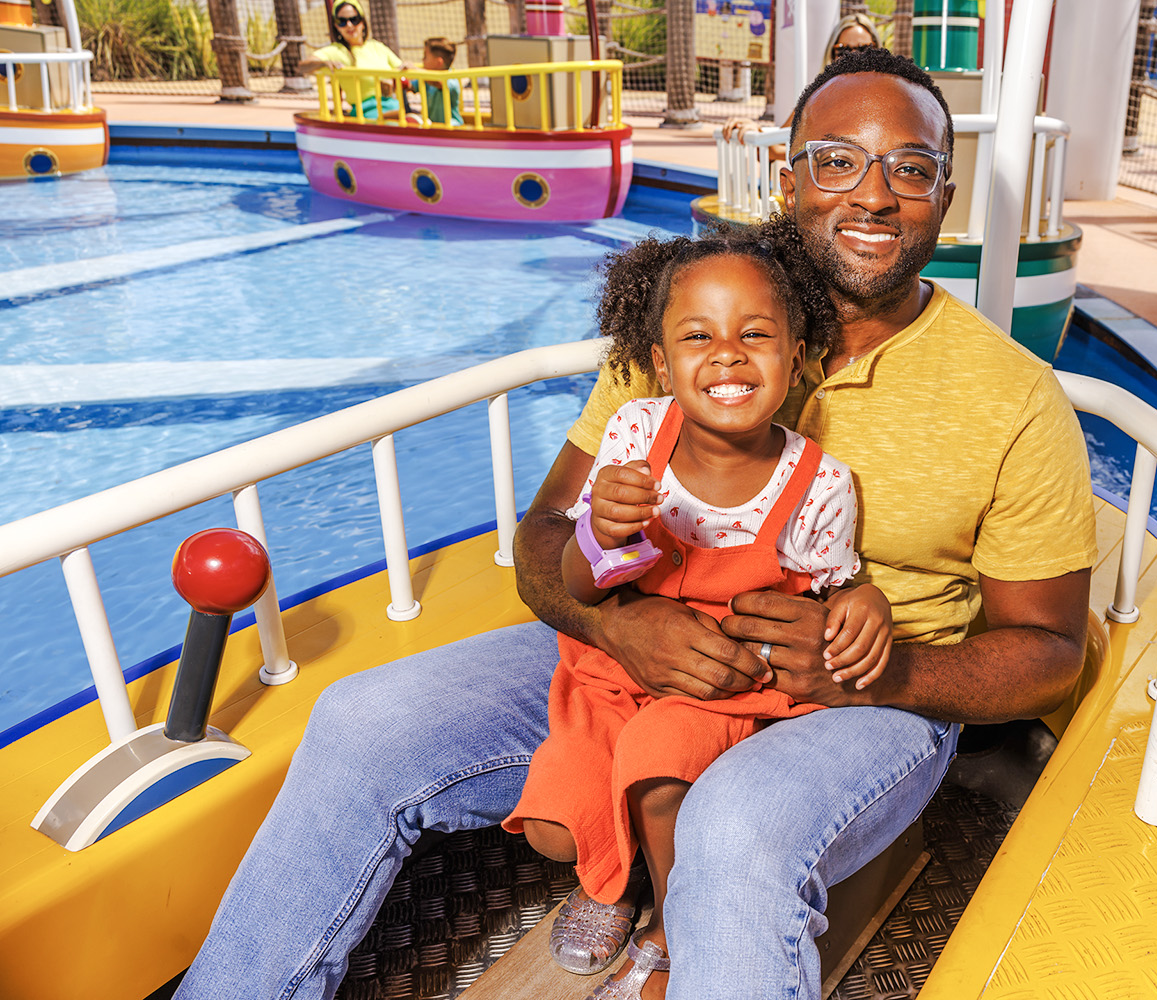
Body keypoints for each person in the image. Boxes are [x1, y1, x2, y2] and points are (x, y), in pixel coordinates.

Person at [175, 48, 1097, 1000]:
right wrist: (618, 625)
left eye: (910, 168)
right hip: (626, 653)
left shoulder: (1013, 398)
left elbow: (1050, 649)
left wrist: (882, 670)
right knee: (364, 721)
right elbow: (545, 538)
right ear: (788, 179)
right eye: (837, 160)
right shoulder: (691, 319)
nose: (873, 195)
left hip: (864, 700)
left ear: (944, 196)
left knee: (734, 823)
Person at [506, 222, 893, 997]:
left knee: (658, 754)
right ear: (659, 363)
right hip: (615, 667)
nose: (726, 353)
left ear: (796, 356)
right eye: (697, 336)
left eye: (755, 334)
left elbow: (827, 596)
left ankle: (668, 925)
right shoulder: (633, 434)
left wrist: (866, 601)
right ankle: (622, 877)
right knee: (555, 824)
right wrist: (599, 530)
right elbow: (582, 588)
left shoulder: (821, 484)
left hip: (729, 678)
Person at [720, 14, 884, 159]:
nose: (854, 57)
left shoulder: (893, 100)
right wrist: (755, 130)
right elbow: (780, 144)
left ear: (878, 50)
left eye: (864, 49)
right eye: (843, 50)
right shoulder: (816, 99)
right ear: (832, 55)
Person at [299, 0, 406, 121]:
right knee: (402, 119)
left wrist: (408, 67)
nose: (349, 25)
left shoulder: (377, 47)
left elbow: (406, 71)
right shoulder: (336, 51)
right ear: (336, 26)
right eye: (342, 22)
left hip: (393, 105)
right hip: (366, 112)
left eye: (354, 19)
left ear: (363, 22)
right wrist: (323, 63)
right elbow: (303, 67)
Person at [414, 37, 463, 126]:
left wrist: (415, 70)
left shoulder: (451, 79)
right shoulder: (425, 78)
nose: (422, 60)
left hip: (451, 125)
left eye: (425, 56)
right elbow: (411, 86)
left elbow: (438, 83)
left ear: (438, 62)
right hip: (431, 124)